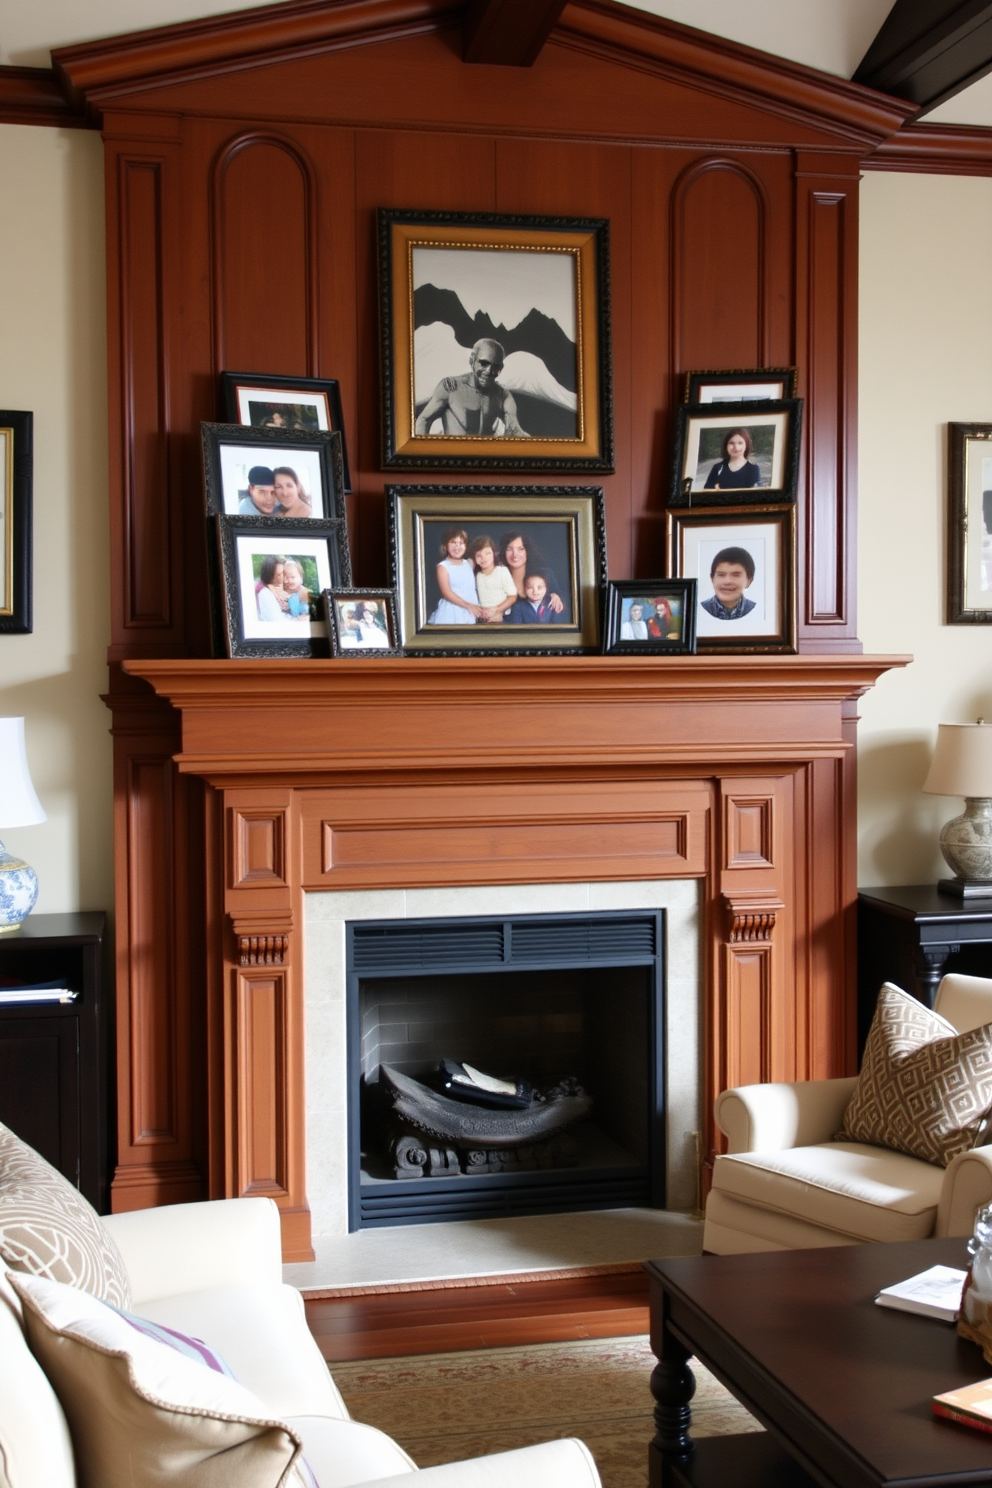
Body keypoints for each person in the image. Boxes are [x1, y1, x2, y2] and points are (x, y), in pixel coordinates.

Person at [414, 339, 529, 438]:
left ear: (501, 368)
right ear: (472, 361)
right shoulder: (450, 387)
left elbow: (513, 429)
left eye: (495, 366)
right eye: (483, 364)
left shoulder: (504, 396)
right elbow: (423, 420)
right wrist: (425, 455)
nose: (489, 371)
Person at [499, 531, 566, 617]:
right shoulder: (497, 577)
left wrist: (557, 598)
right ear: (503, 552)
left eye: (520, 549)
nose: (515, 554)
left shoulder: (544, 574)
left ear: (527, 551)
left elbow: (563, 604)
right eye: (509, 549)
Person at [427, 526, 484, 624]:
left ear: (466, 546)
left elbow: (487, 561)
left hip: (470, 612)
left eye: (461, 543)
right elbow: (447, 593)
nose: (457, 547)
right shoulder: (443, 566)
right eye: (453, 542)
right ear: (446, 545)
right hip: (452, 612)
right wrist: (468, 606)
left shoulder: (470, 563)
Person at [468, 534, 517, 623]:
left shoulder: (502, 571)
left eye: (487, 553)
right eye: (479, 556)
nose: (483, 558)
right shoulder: (477, 576)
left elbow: (512, 596)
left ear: (494, 553)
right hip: (483, 618)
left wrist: (497, 610)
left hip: (500, 616)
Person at [701, 546, 756, 620]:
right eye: (721, 575)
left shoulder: (755, 609)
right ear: (712, 579)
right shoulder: (701, 608)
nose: (728, 581)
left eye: (736, 575)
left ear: (749, 581)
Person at [255, 554, 288, 621]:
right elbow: (277, 620)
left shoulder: (265, 589)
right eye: (280, 574)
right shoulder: (265, 594)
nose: (283, 575)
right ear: (272, 578)